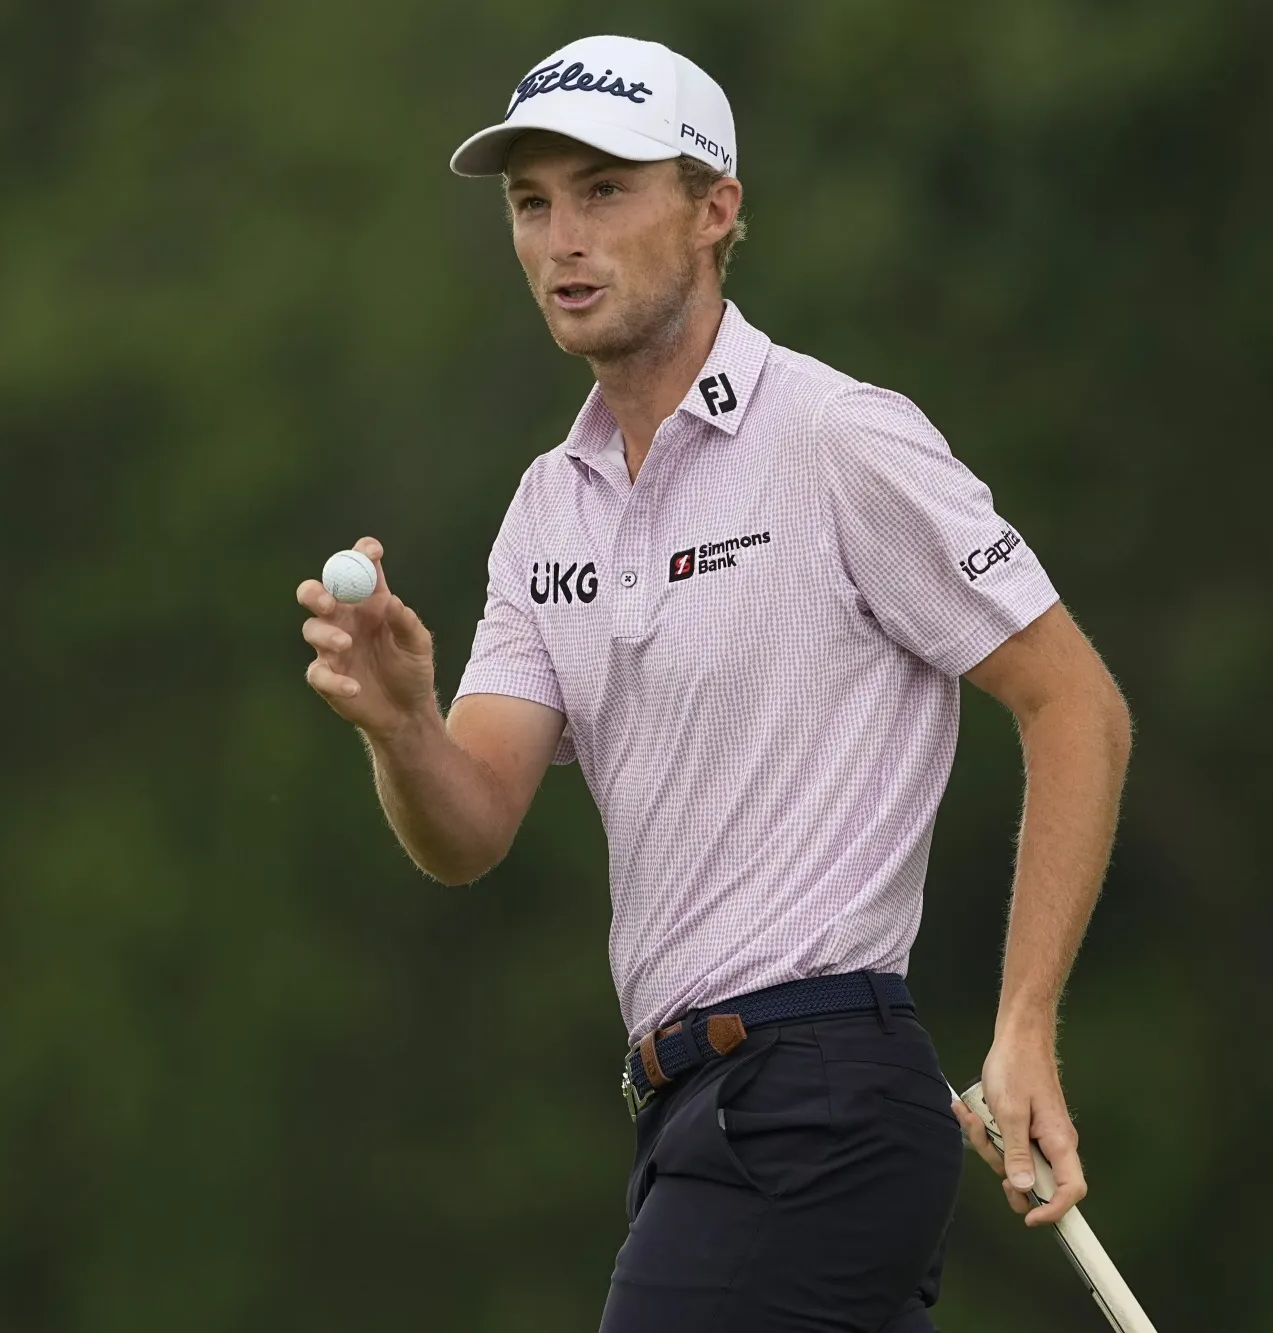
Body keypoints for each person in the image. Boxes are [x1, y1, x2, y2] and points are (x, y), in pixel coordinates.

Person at [295, 33, 1132, 1332]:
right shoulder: (546, 511)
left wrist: (1026, 1025)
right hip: (691, 1118)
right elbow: (467, 831)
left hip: (819, 1100)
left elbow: (1076, 701)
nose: (562, 237)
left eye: (605, 190)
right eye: (533, 203)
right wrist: (402, 725)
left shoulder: (836, 437)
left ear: (715, 210)